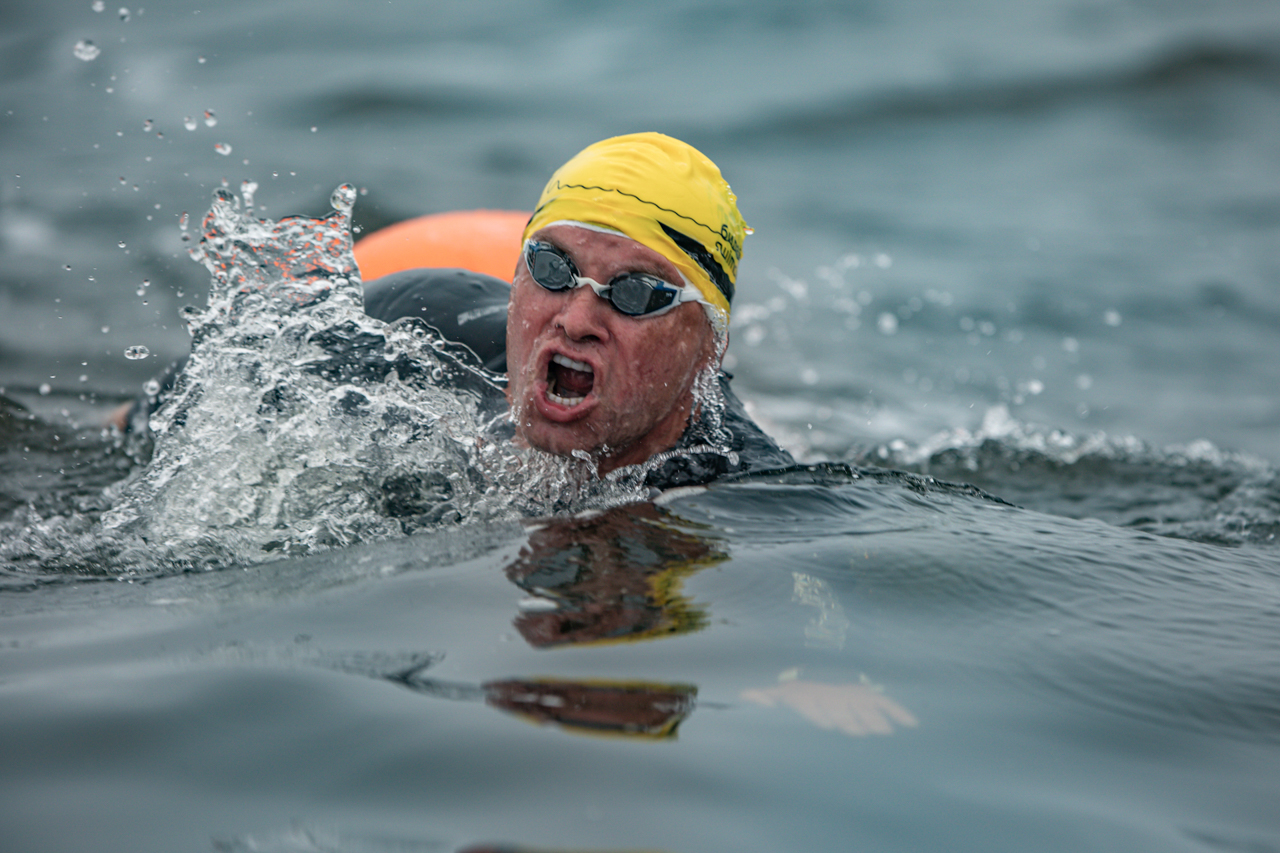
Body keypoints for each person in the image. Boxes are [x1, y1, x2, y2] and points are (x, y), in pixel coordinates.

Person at [363, 132, 794, 487]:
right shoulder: (414, 327)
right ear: (517, 273)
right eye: (553, 268)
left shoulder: (745, 493)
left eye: (636, 293)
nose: (576, 321)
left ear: (708, 348)